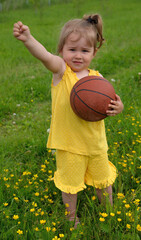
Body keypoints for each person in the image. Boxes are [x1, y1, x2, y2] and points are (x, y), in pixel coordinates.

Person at [13, 14, 124, 228]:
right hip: (69, 145)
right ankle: (71, 218)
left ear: (94, 52)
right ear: (62, 50)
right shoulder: (62, 72)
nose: (78, 56)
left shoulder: (97, 79)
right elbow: (44, 56)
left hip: (96, 144)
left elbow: (111, 104)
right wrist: (28, 39)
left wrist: (118, 107)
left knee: (104, 181)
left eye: (85, 51)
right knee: (70, 185)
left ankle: (110, 212)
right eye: (72, 50)